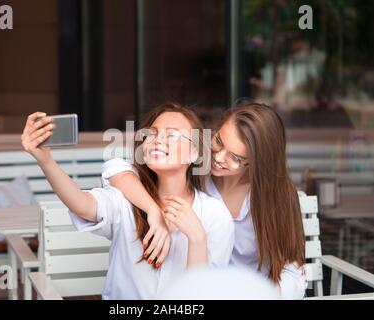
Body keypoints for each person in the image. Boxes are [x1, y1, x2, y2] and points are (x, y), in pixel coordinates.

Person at [20, 103, 234, 299]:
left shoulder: (214, 215)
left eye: (172, 136)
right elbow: (82, 204)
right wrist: (46, 161)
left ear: (194, 153)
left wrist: (197, 239)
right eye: (152, 134)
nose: (157, 140)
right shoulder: (126, 199)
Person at [102, 101, 307, 299]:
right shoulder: (195, 173)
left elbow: (293, 270)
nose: (218, 158)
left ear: (257, 162)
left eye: (235, 158)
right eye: (218, 141)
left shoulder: (274, 196)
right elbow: (118, 169)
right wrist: (152, 209)